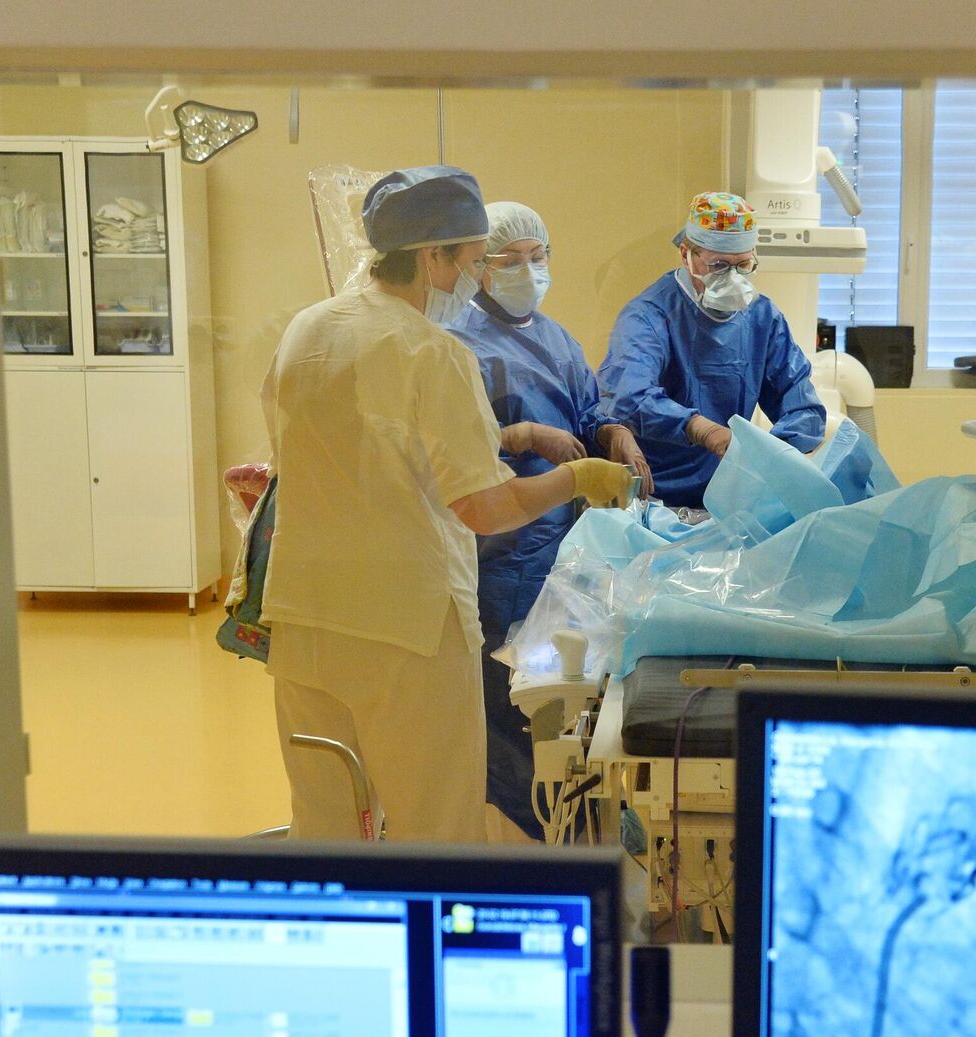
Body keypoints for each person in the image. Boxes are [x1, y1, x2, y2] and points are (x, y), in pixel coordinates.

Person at [260, 166, 632, 843]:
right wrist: (578, 480)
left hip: (305, 621)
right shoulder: (432, 352)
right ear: (433, 256)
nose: (474, 280)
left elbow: (324, 452)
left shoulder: (307, 330)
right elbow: (485, 509)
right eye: (473, 261)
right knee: (435, 827)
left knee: (325, 822)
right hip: (406, 632)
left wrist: (512, 437)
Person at [449, 201, 651, 840]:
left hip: (560, 543)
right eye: (511, 260)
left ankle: (570, 811)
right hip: (500, 548)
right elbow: (452, 447)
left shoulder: (557, 337)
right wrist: (525, 435)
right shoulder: (456, 341)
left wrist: (612, 432)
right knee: (509, 693)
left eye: (538, 258)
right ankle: (524, 825)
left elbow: (588, 408)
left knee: (565, 686)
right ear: (480, 266)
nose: (528, 270)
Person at [596, 191, 828, 508]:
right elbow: (629, 396)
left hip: (731, 494)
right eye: (718, 265)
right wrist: (700, 429)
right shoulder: (649, 316)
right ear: (686, 255)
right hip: (657, 497)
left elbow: (803, 408)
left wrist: (768, 457)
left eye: (743, 265)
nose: (732, 278)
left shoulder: (762, 318)